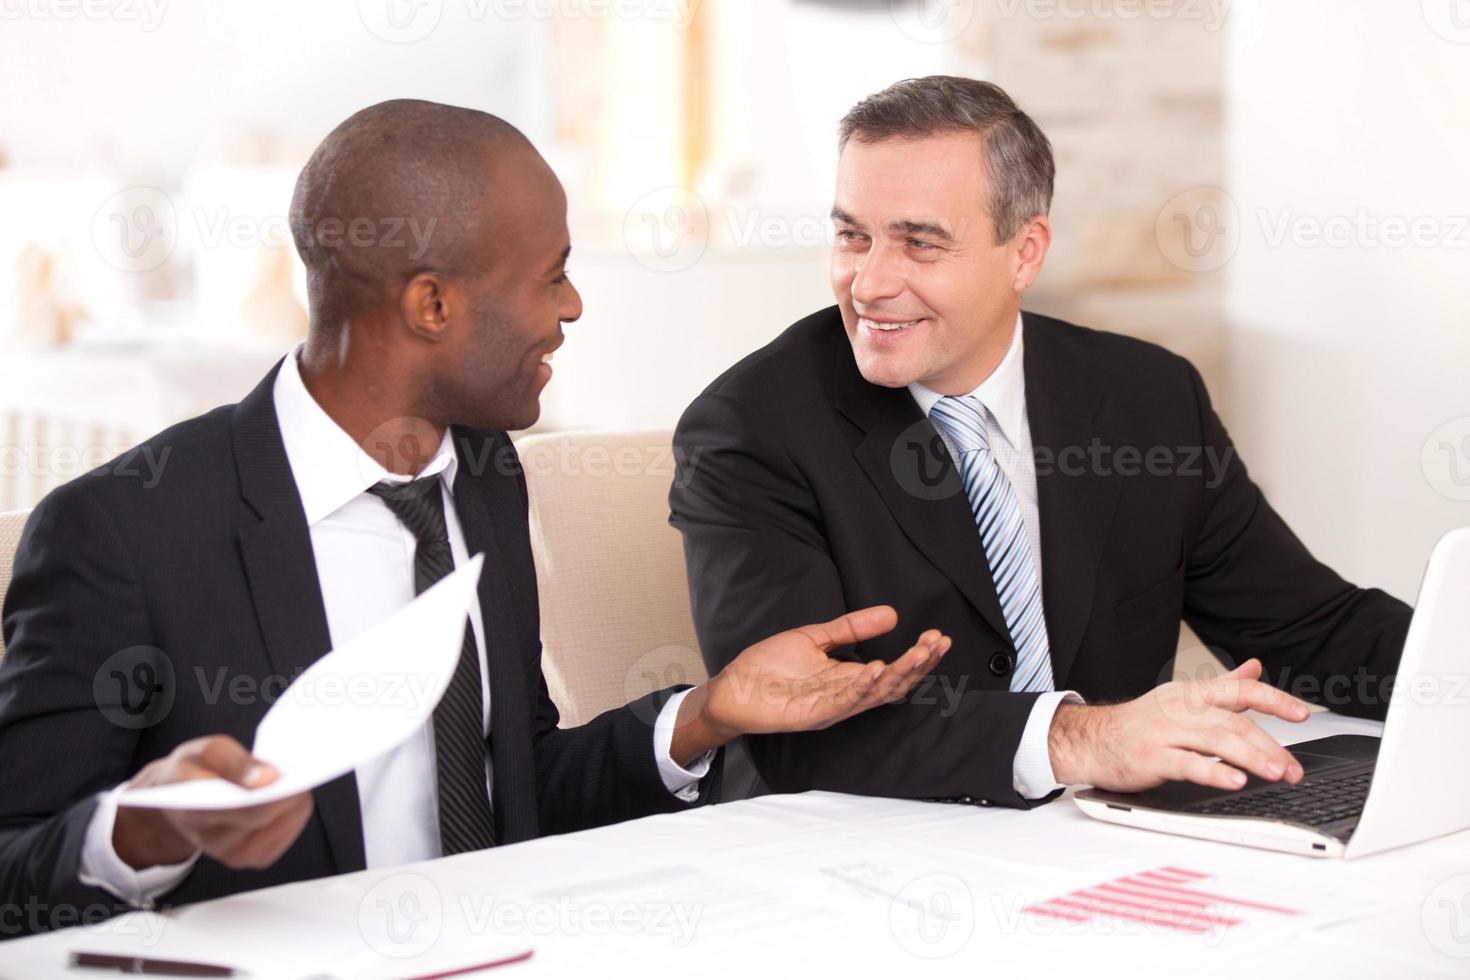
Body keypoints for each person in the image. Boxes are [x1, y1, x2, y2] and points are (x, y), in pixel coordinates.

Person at [0, 100, 951, 938]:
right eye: (552, 275)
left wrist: (702, 716)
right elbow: (14, 882)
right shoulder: (122, 534)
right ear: (431, 304)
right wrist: (134, 832)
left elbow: (519, 784)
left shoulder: (484, 471)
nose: (573, 306)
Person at [670, 75, 1411, 808]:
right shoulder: (749, 429)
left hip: (1110, 835)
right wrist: (1080, 738)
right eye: (851, 236)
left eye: (919, 244)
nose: (868, 283)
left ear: (1025, 253)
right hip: (865, 851)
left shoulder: (1149, 397)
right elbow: (796, 729)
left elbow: (1311, 627)